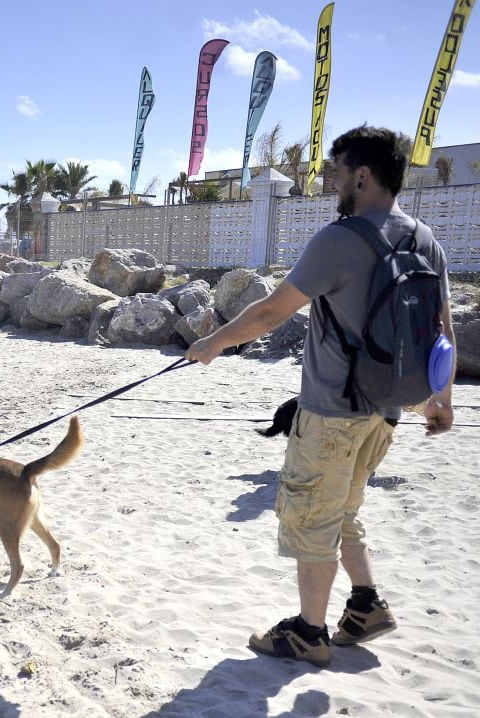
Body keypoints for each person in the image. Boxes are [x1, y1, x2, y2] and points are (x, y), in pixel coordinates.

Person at [185, 125, 456, 667]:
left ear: (363, 175)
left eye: (336, 174)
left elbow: (270, 311)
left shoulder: (342, 238)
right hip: (386, 412)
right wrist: (439, 401)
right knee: (342, 508)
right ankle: (365, 605)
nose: (332, 184)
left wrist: (212, 343)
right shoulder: (426, 239)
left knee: (311, 519)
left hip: (332, 411)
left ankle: (310, 633)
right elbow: (441, 329)